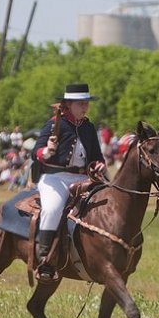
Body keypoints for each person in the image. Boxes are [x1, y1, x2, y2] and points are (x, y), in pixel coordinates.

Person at [32, 83, 107, 282]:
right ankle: (45, 259)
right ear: (69, 104)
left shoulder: (89, 127)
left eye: (86, 103)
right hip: (55, 178)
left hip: (84, 178)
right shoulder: (54, 124)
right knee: (53, 209)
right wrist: (46, 151)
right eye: (81, 103)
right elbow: (36, 151)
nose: (85, 107)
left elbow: (96, 157)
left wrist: (99, 165)